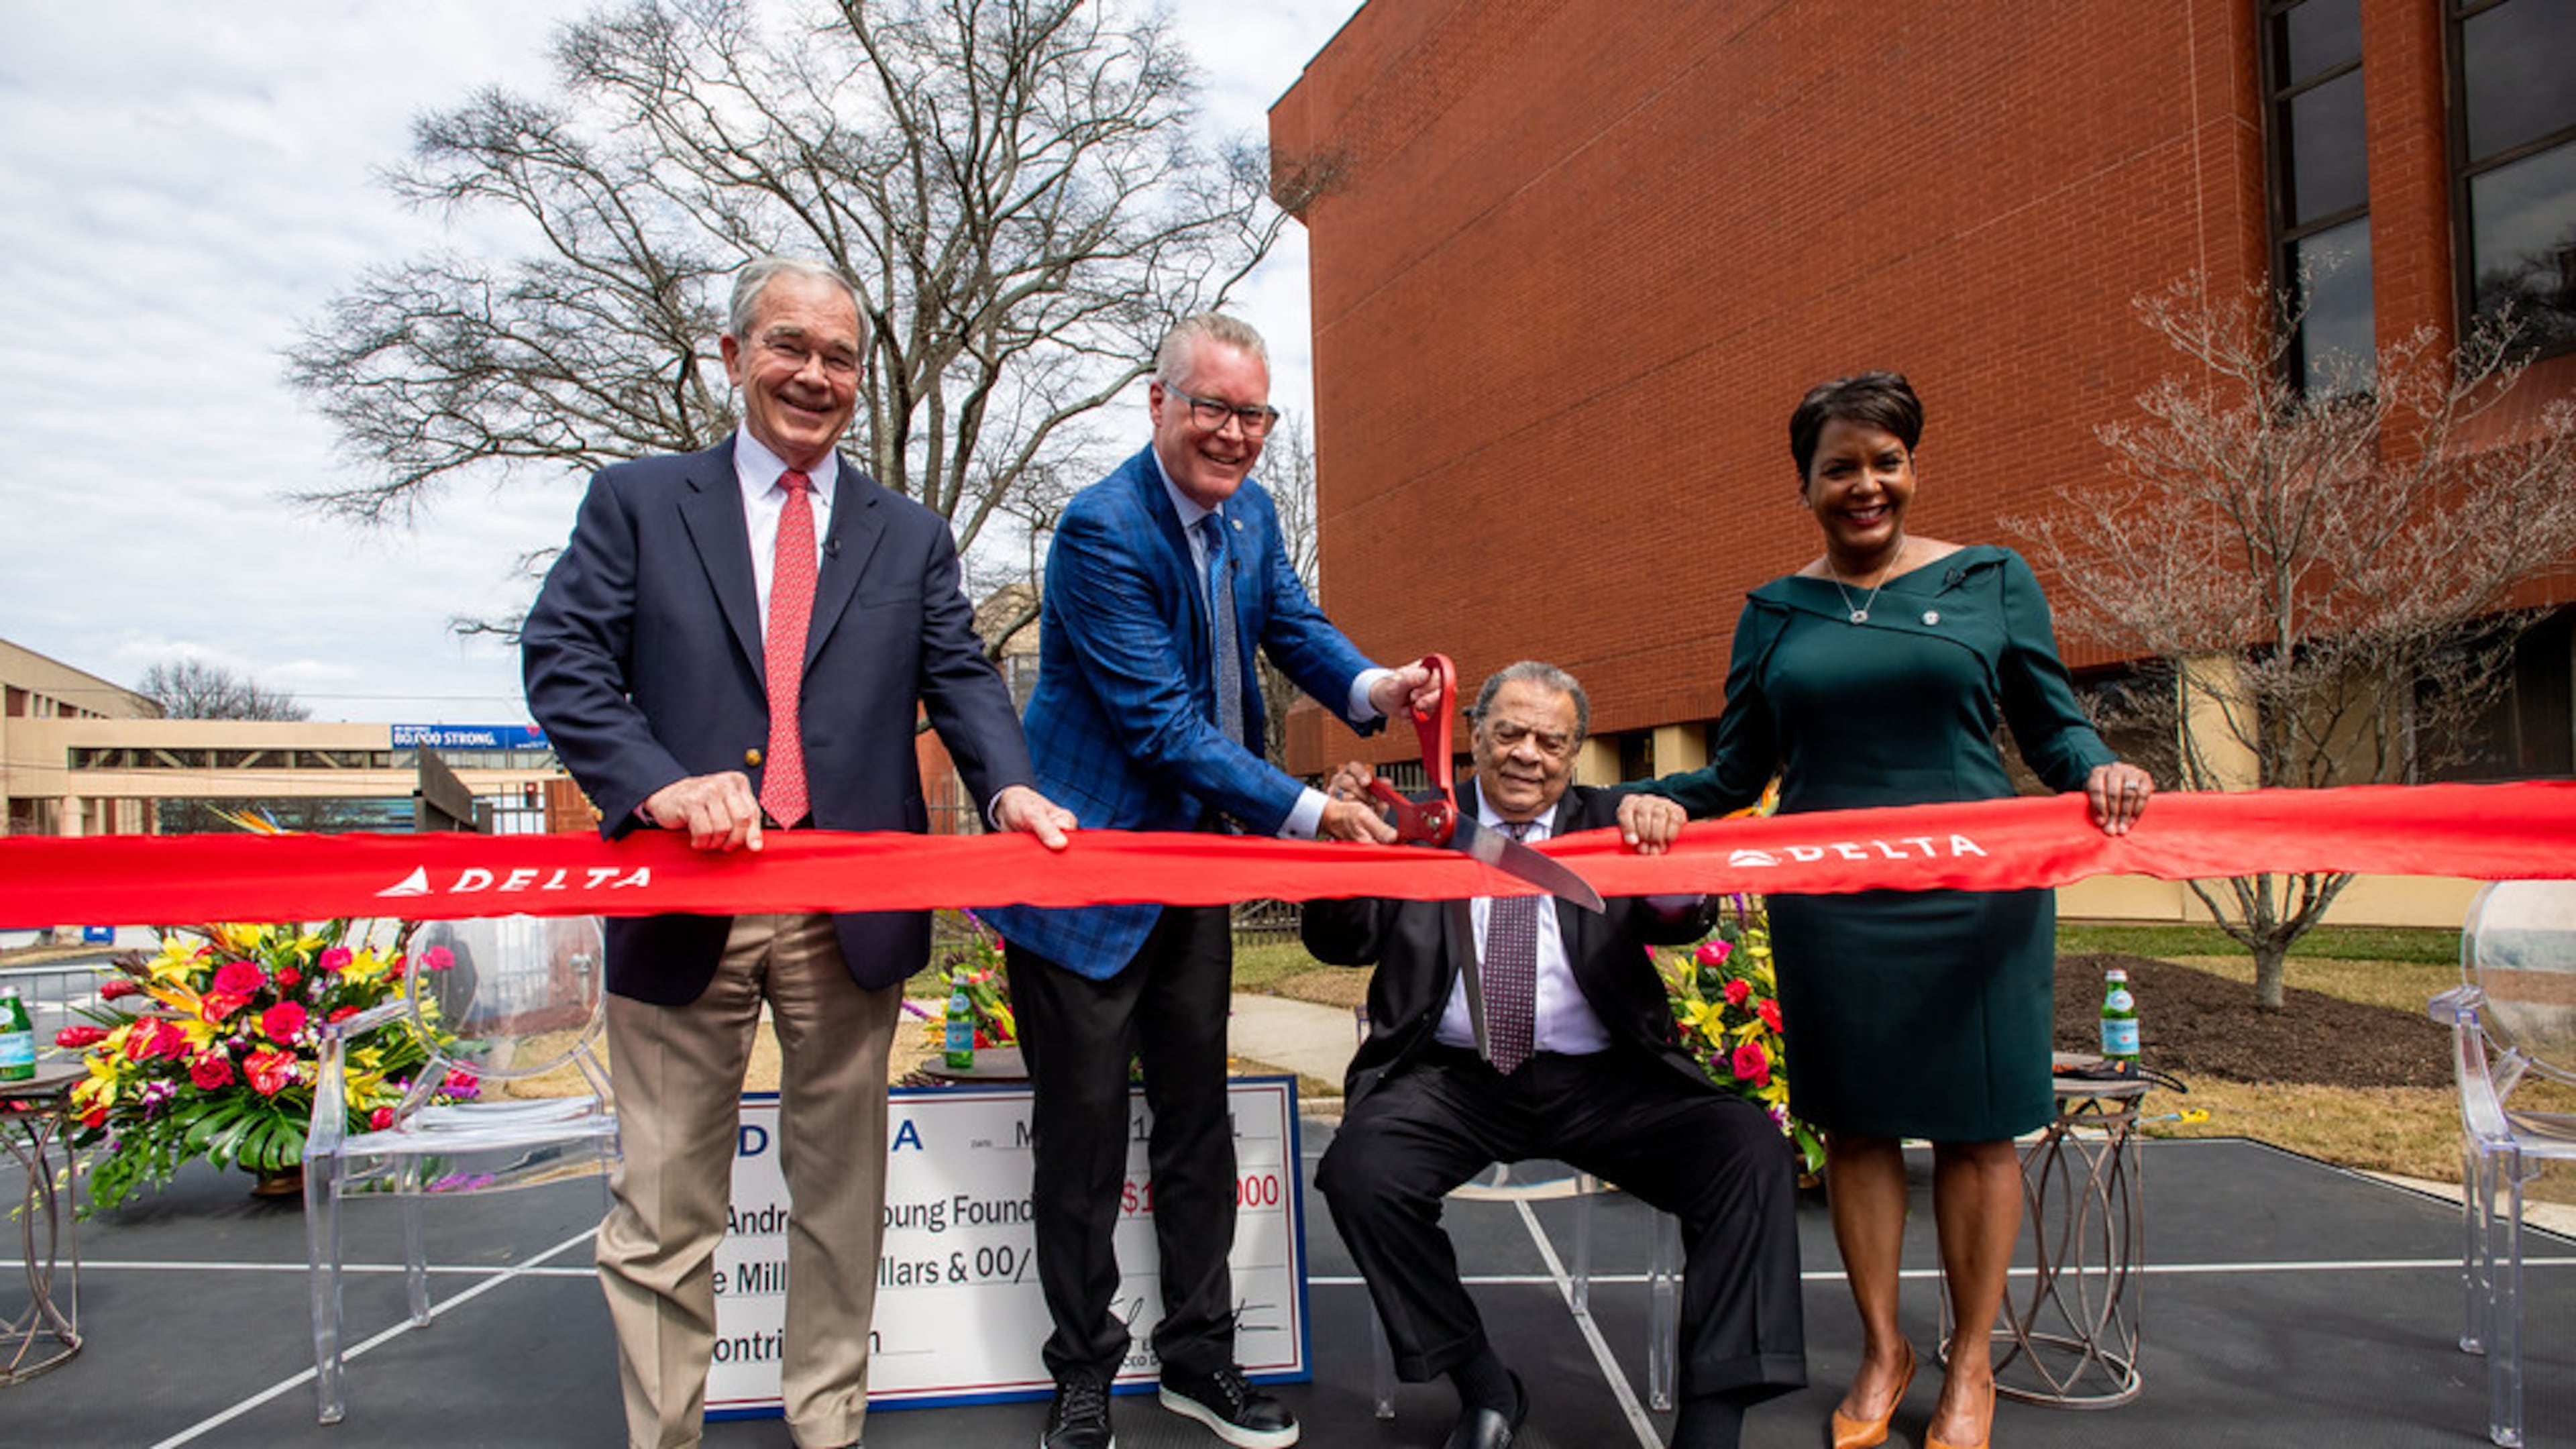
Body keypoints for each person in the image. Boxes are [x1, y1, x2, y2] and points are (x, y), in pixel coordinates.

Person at [522, 255, 1077, 1449]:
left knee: (840, 1199)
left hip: (849, 913)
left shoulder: (910, 535)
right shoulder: (636, 503)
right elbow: (564, 662)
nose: (813, 377)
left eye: (838, 358)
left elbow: (963, 678)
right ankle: (662, 1435)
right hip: (684, 900)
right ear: (732, 356)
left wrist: (1013, 787)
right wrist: (660, 785)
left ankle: (828, 1425)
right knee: (666, 1208)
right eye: (788, 346)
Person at [1615, 372, 2152, 1449]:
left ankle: (1968, 1364)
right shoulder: (1774, 611)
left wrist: (2102, 766)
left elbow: (2053, 727)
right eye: (1840, 468)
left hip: (1976, 900)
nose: (1866, 485)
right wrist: (1649, 800)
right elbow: (1733, 771)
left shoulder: (1992, 578)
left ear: (1913, 466)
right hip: (1836, 905)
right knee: (1856, 1128)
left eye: (1886, 462)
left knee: (1977, 1132)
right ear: (1805, 484)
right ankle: (1881, 1346)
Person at [981, 313, 1434, 1449]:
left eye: (1254, 415)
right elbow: (1163, 727)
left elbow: (1292, 624)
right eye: (1214, 409)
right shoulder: (1098, 529)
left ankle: (1199, 1361)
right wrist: (1310, 813)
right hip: (1080, 880)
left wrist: (1381, 689)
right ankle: (1082, 1373)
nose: (1235, 436)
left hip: (1191, 876)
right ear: (1159, 404)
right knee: (1081, 1146)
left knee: (1198, 1131)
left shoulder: (1253, 515)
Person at [1307, 661, 1807, 1449]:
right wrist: (1343, 845)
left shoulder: (1613, 815)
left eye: (1550, 740)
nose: (1526, 755)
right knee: (1360, 1175)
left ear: (1575, 755)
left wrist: (1662, 851)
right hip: (1450, 1078)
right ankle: (1483, 1384)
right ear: (1475, 736)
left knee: (1750, 1154)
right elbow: (1342, 943)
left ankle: (1712, 1424)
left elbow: (1681, 921)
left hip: (1607, 1078)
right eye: (1508, 733)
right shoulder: (1421, 820)